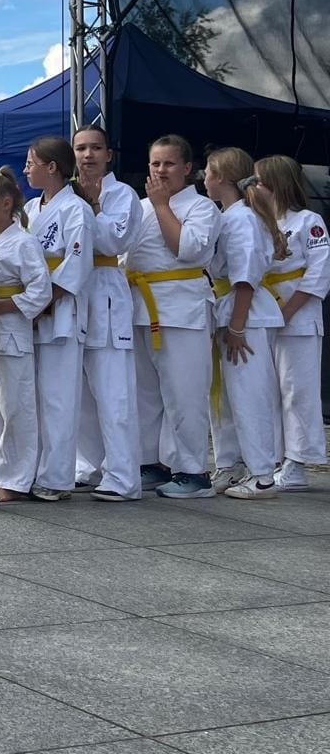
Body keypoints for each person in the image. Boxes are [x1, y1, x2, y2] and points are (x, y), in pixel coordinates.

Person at [125, 135, 219, 499]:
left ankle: (193, 471)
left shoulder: (201, 207)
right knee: (145, 394)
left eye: (168, 163)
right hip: (141, 305)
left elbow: (187, 249)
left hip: (182, 309)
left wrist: (163, 206)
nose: (160, 170)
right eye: (155, 163)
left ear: (187, 168)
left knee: (184, 393)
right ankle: (151, 462)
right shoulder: (140, 206)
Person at [203, 148, 286, 500]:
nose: (204, 179)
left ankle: (263, 474)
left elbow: (245, 279)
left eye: (207, 172)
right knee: (223, 396)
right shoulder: (229, 216)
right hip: (230, 310)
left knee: (249, 393)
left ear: (221, 177)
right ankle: (231, 463)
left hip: (246, 315)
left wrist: (237, 327)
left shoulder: (243, 219)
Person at [70, 125, 144, 502]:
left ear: (108, 154)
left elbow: (113, 241)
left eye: (95, 148)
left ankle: (123, 475)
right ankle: (89, 464)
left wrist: (95, 205)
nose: (88, 155)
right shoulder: (64, 194)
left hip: (106, 289)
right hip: (73, 293)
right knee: (80, 392)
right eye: (81, 148)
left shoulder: (123, 194)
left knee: (114, 392)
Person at [22, 136, 95, 502]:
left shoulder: (77, 209)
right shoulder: (30, 209)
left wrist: (39, 303)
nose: (25, 170)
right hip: (29, 309)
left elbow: (76, 266)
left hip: (59, 311)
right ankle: (30, 470)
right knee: (31, 399)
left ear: (52, 167)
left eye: (31, 163)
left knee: (59, 398)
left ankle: (58, 477)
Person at [253, 155, 328, 491]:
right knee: (266, 392)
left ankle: (296, 463)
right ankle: (271, 458)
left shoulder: (309, 221)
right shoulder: (259, 222)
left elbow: (318, 274)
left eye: (258, 181)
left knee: (297, 391)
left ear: (276, 184)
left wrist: (286, 313)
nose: (254, 187)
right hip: (263, 316)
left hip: (298, 319)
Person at [0, 170, 53, 502]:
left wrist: (3, 305)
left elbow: (42, 291)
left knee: (16, 408)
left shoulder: (24, 242)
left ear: (6, 203)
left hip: (11, 331)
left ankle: (17, 479)